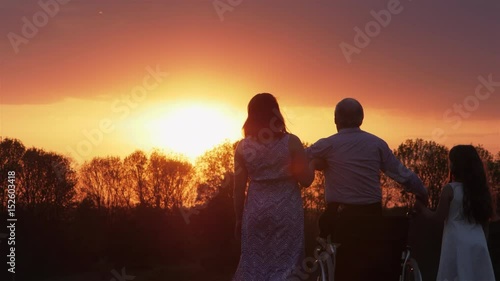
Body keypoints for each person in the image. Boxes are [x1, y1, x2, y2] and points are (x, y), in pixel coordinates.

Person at [306, 98, 428, 238]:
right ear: (361, 119)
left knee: (335, 257)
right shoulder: (377, 144)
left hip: (338, 217)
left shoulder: (327, 145)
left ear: (335, 119)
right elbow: (401, 174)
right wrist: (422, 193)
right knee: (368, 256)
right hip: (371, 217)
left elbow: (298, 158)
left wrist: (316, 162)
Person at [232, 93, 315, 281]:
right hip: (286, 213)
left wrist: (238, 219)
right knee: (287, 265)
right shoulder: (291, 142)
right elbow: (306, 180)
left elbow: (238, 190)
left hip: (255, 212)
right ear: (276, 113)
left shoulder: (243, 148)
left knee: (254, 265)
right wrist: (312, 162)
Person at [415, 145, 496, 281]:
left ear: (455, 165)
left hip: (457, 243)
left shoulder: (450, 189)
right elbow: (485, 224)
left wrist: (421, 208)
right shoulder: (480, 191)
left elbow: (438, 218)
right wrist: (483, 244)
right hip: (478, 242)